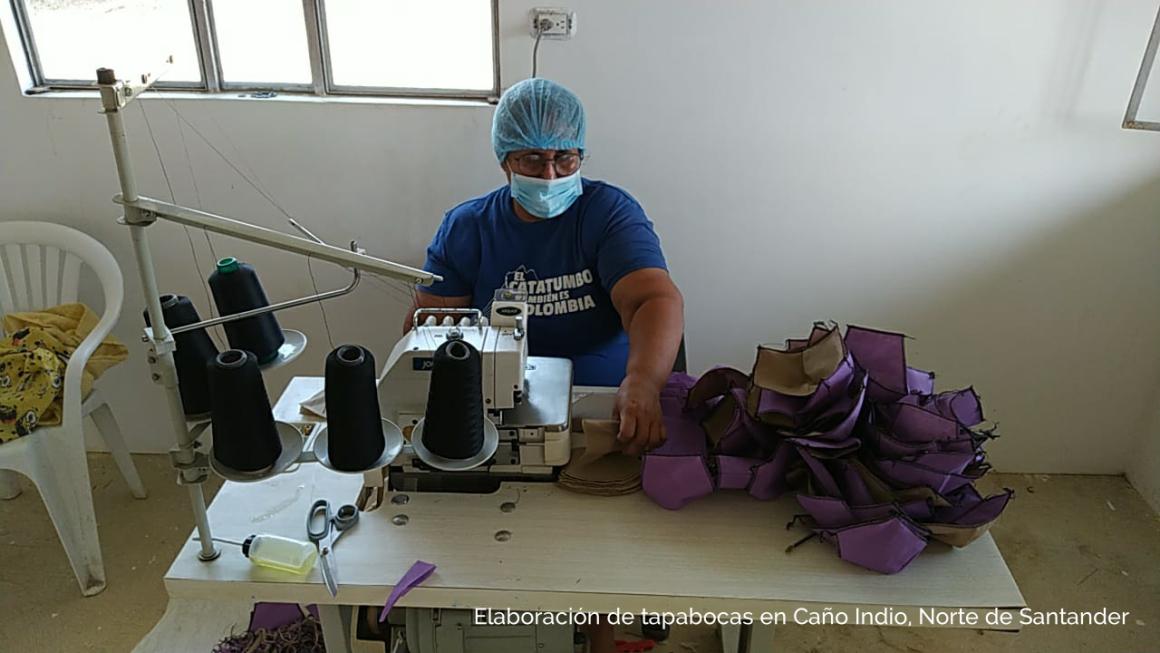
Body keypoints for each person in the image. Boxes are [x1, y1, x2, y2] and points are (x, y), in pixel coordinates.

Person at [410, 77, 685, 459]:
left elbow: (652, 300)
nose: (550, 174)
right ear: (505, 160)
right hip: (492, 412)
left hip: (605, 405)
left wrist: (643, 382)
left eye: (565, 158)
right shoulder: (468, 228)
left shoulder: (608, 214)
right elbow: (428, 332)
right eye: (532, 159)